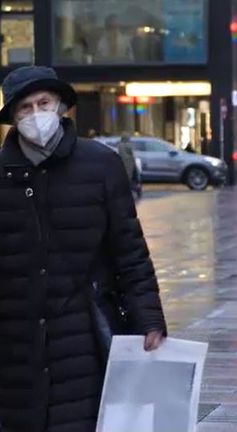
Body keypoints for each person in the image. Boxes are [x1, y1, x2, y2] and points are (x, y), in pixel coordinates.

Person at [0, 66, 166, 432]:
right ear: (13, 117)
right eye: (25, 107)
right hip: (16, 340)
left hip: (85, 331)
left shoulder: (100, 165)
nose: (36, 114)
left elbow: (130, 251)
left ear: (61, 106)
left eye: (44, 103)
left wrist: (149, 319)